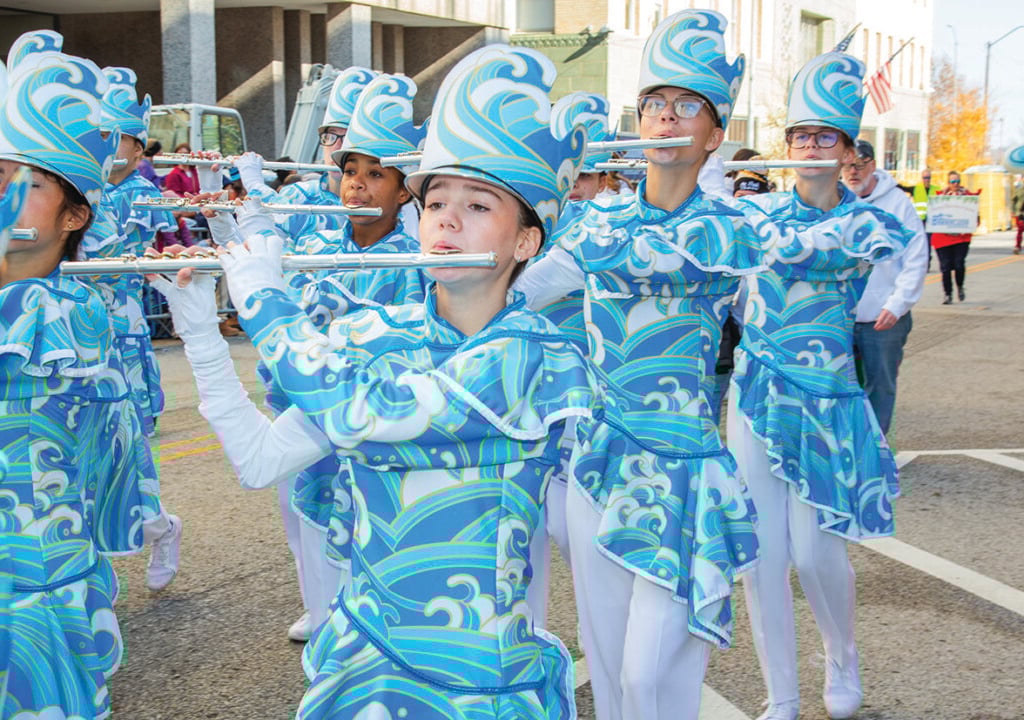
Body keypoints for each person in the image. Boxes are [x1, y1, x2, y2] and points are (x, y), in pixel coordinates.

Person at [151, 43, 597, 719]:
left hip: (474, 675)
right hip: (363, 663)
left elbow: (366, 411)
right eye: (437, 200)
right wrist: (200, 332)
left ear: (525, 242)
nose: (448, 219)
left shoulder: (530, 356)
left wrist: (264, 299)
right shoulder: (377, 335)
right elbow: (259, 460)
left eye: (479, 206)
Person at [515, 11, 761, 719]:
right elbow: (516, 297)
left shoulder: (738, 230)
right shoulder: (598, 226)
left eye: (687, 105)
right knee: (612, 672)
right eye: (655, 103)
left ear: (714, 135)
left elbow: (782, 319)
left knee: (648, 674)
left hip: (686, 468)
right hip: (598, 460)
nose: (667, 116)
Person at [727, 52, 912, 720]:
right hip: (755, 393)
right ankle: (781, 693)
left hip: (826, 398)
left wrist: (745, 221)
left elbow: (818, 249)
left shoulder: (867, 223)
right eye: (799, 136)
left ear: (848, 150)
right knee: (762, 555)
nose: (808, 146)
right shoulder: (754, 213)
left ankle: (841, 653)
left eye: (823, 136)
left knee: (814, 554)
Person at [0, 43, 161, 719]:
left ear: (74, 216)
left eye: (29, 182)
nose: (4, 192)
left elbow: (106, 451)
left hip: (31, 569)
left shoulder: (74, 317)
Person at [841, 139, 928, 434]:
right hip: (841, 314)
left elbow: (916, 258)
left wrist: (897, 304)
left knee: (880, 385)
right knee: (839, 386)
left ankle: (876, 448)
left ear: (873, 165)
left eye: (859, 165)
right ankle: (847, 446)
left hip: (882, 316)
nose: (853, 172)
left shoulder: (898, 204)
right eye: (847, 165)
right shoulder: (836, 199)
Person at [931, 170, 977, 304]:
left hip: (961, 237)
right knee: (945, 266)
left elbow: (974, 217)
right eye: (952, 181)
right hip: (943, 238)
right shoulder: (940, 198)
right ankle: (947, 294)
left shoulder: (968, 197)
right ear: (948, 182)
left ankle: (960, 286)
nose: (955, 184)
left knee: (959, 264)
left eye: (957, 181)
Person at [1011, 174, 1023, 254]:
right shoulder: (1019, 190)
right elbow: (1014, 200)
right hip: (1020, 213)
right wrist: (1013, 211)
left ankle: (1018, 246)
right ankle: (1017, 246)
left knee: (1020, 230)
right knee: (1020, 230)